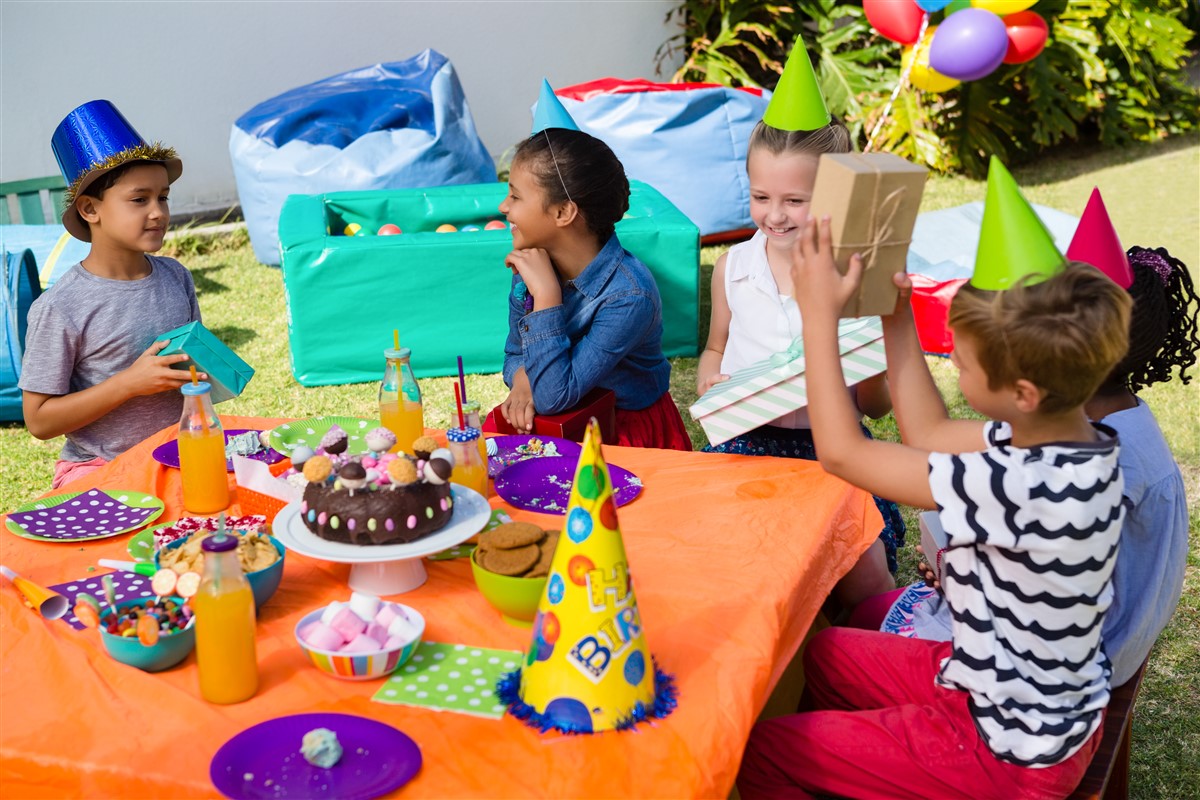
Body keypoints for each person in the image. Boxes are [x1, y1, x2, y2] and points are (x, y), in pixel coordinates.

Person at [736, 215, 1132, 798]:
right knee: (823, 654)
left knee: (769, 752)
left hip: (1004, 749)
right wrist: (896, 316)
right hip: (1010, 693)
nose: (953, 366)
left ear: (1022, 394)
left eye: (963, 362)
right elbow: (927, 429)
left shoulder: (1020, 483)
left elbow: (844, 455)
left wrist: (818, 319)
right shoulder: (1071, 440)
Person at [853, 245, 1198, 690]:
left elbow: (882, 452)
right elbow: (930, 436)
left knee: (836, 645)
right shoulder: (1100, 420)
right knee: (865, 614)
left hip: (1053, 671)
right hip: (1087, 639)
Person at [696, 117, 902, 601]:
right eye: (761, 197)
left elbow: (877, 407)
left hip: (833, 452)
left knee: (865, 580)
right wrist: (710, 379)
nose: (775, 215)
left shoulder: (856, 278)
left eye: (794, 200)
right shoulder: (733, 269)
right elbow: (714, 346)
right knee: (739, 563)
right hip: (748, 447)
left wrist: (869, 371)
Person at [21, 100, 202, 489]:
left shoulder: (176, 277)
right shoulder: (60, 307)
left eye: (163, 197)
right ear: (90, 209)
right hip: (99, 467)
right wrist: (128, 383)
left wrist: (206, 371)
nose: (158, 212)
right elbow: (38, 421)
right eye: (140, 200)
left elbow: (194, 370)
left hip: (178, 453)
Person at [489, 127, 692, 450]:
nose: (503, 206)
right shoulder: (531, 268)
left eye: (515, 195)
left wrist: (546, 297)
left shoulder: (629, 296)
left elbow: (555, 395)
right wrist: (523, 378)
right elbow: (515, 353)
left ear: (563, 212)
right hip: (560, 426)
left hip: (622, 433)